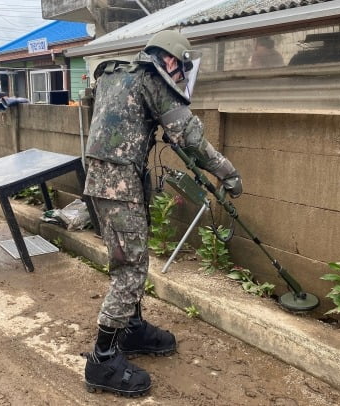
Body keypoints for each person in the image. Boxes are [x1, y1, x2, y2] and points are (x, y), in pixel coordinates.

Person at [82, 30, 243, 396]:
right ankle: (103, 359)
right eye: (181, 67)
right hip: (119, 185)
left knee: (129, 258)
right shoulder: (154, 79)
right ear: (170, 60)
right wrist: (228, 173)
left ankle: (132, 328)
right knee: (131, 268)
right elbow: (191, 138)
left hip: (108, 178)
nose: (180, 74)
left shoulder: (116, 73)